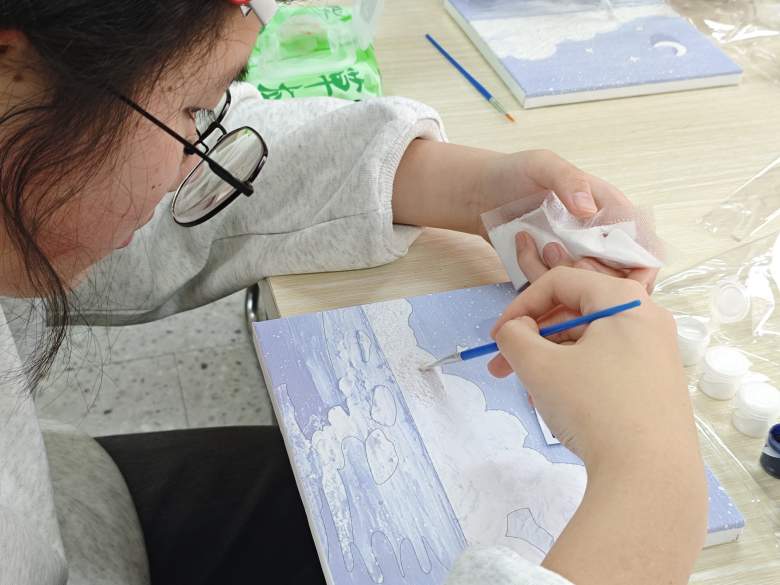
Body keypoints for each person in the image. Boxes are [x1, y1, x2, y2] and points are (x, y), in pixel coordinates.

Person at [0, 2, 707, 585]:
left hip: (72, 508)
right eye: (192, 112)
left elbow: (145, 181)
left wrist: (476, 191)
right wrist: (653, 472)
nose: (196, 159)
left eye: (209, 111)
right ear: (13, 70)